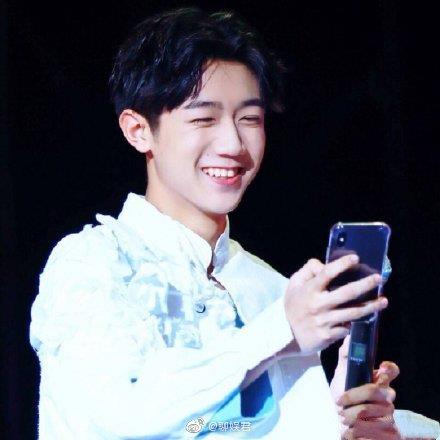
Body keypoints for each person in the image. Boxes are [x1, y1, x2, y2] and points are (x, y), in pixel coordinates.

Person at [29, 7, 439, 440]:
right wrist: (279, 330)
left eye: (249, 119)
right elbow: (117, 414)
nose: (233, 143)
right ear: (138, 130)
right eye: (203, 118)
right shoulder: (93, 263)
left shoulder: (270, 289)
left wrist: (342, 425)